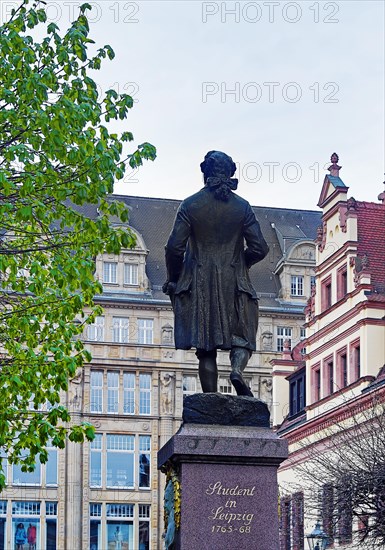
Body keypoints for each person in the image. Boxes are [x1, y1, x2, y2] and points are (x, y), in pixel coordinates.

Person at [164, 151, 269, 395]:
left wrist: (173, 278)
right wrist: (243, 262)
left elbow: (173, 248)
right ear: (230, 173)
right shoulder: (242, 207)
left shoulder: (190, 205)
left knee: (206, 347)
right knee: (243, 335)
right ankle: (237, 371)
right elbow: (260, 248)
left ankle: (209, 398)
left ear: (205, 173)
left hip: (200, 282)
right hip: (235, 280)